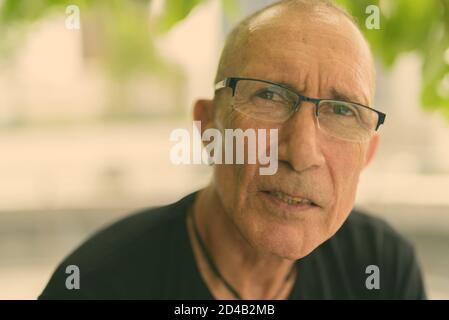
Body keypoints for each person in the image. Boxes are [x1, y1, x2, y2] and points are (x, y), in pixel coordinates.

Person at [39, 0, 426, 300]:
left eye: (343, 110)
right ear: (208, 128)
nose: (302, 153)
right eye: (270, 95)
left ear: (367, 156)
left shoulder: (382, 268)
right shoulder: (99, 285)